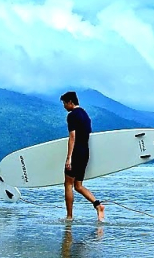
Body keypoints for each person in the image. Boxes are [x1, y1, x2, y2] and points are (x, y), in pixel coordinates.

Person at [60, 91, 105, 221]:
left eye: (64, 103)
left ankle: (69, 217)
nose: (64, 106)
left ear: (70, 102)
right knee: (78, 185)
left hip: (76, 153)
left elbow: (72, 137)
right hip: (85, 152)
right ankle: (98, 205)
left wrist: (69, 157)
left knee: (68, 184)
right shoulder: (85, 115)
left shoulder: (72, 115)